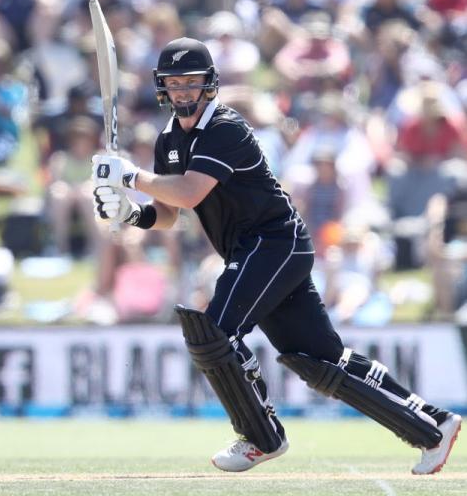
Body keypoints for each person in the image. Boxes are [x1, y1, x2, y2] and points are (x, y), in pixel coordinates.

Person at [91, 37, 461, 475]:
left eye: (192, 82)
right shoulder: (169, 139)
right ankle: (432, 426)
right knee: (322, 362)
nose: (183, 92)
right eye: (174, 83)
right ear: (162, 88)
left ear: (209, 85)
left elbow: (189, 192)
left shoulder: (225, 128)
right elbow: (170, 214)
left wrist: (130, 175)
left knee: (215, 333)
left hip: (274, 242)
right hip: (257, 250)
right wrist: (130, 212)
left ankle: (261, 438)